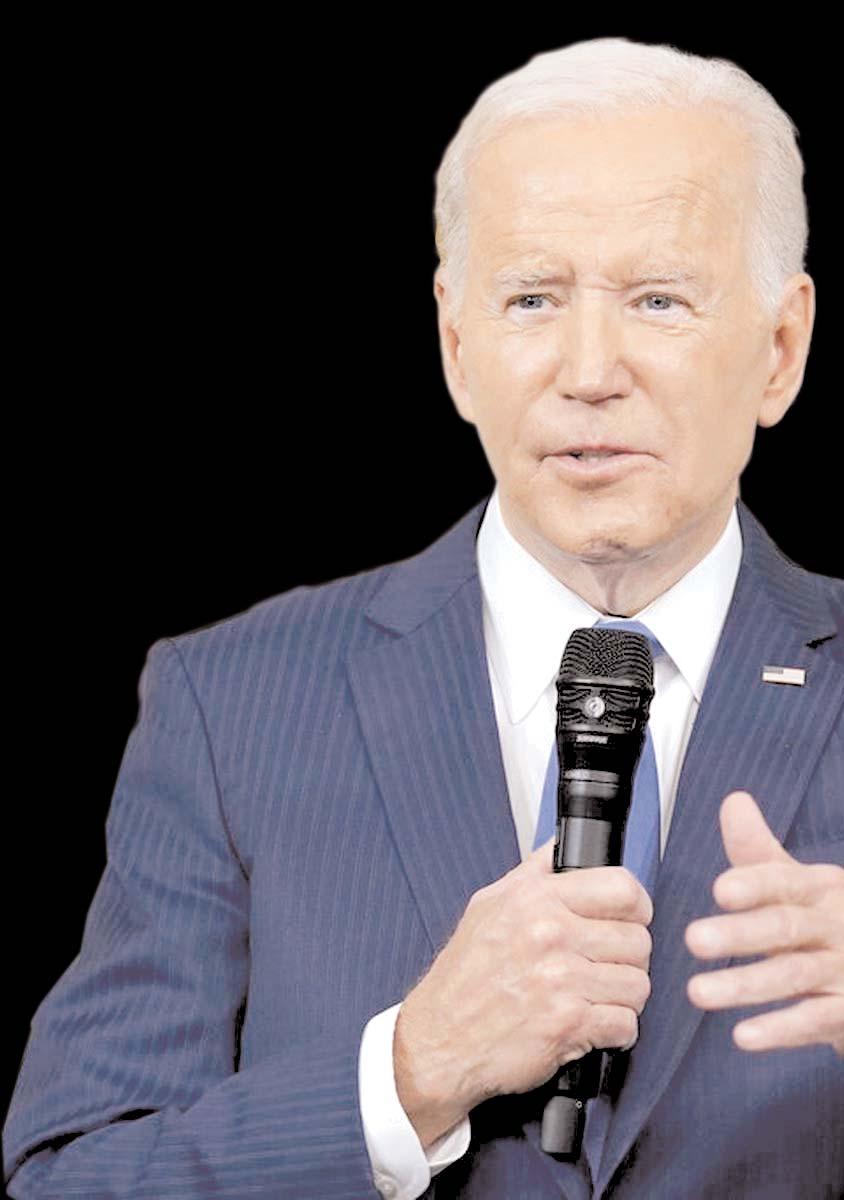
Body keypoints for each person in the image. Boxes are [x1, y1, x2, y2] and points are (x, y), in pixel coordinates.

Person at [4, 34, 843, 1200]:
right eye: (532, 299)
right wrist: (408, 1075)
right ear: (457, 345)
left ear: (780, 349)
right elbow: (73, 1179)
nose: (588, 370)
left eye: (658, 299)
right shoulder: (234, 704)